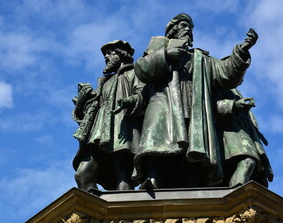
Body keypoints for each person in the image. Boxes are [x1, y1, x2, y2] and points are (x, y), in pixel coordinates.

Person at [132, 13, 258, 188]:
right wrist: (166, 55)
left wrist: (241, 52)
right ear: (173, 30)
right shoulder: (158, 50)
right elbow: (142, 69)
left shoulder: (200, 58)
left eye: (190, 28)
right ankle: (152, 180)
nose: (188, 31)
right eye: (184, 26)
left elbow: (225, 73)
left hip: (194, 104)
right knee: (159, 144)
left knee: (192, 148)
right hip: (165, 103)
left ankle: (193, 186)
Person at [72, 40, 145, 191]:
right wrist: (82, 102)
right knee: (83, 174)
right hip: (98, 134)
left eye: (110, 52)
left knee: (123, 178)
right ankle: (92, 213)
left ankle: (126, 214)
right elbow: (89, 113)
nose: (106, 57)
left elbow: (143, 96)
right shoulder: (105, 82)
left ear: (121, 54)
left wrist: (128, 101)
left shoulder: (134, 73)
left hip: (123, 130)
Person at [215, 88, 273, 187]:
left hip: (243, 129)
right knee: (248, 162)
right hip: (229, 129)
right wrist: (233, 105)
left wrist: (255, 132)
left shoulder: (233, 90)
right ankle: (235, 197)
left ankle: (236, 196)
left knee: (252, 167)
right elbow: (207, 104)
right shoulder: (218, 82)